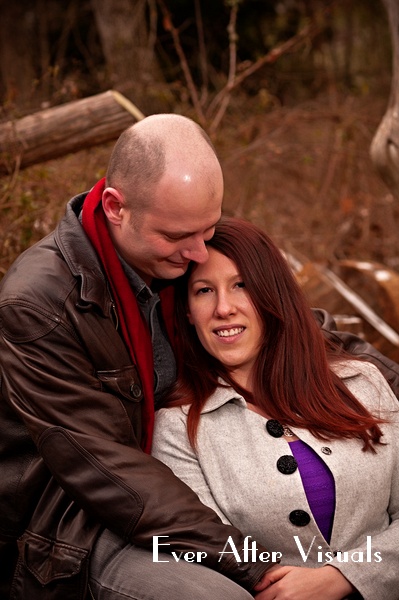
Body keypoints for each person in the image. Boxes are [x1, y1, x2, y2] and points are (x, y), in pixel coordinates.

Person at [0, 114, 278, 600]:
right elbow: (107, 470)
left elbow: (296, 324)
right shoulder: (37, 305)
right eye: (176, 237)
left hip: (184, 496)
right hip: (77, 525)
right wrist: (255, 567)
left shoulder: (181, 248)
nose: (197, 253)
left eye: (208, 229)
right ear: (115, 207)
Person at [152, 216, 399, 600]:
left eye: (241, 286)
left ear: (273, 296)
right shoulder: (177, 429)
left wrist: (343, 577)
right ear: (187, 312)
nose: (223, 308)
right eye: (203, 291)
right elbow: (206, 554)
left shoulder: (363, 384)